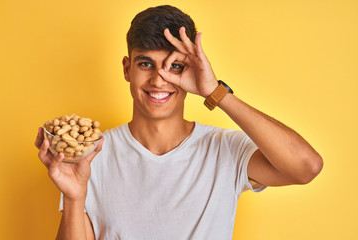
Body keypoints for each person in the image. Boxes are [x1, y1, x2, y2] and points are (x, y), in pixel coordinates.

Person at [35, 5, 323, 240]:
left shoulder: (224, 149)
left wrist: (215, 92)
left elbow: (306, 167)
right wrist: (74, 197)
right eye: (145, 63)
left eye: (175, 66)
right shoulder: (92, 155)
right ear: (127, 69)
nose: (159, 79)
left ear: (193, 70)